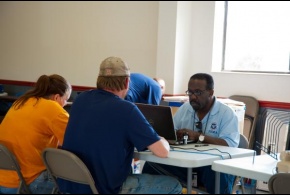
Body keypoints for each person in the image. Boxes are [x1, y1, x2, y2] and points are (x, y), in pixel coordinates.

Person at [58, 56, 182, 194]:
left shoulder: (81, 99)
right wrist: (161, 139)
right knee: (173, 185)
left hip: (73, 184)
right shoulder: (126, 109)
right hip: (103, 188)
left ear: (99, 80)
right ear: (127, 82)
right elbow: (162, 152)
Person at [142, 73, 240, 194]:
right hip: (188, 164)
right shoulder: (185, 108)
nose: (193, 97)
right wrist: (175, 135)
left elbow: (229, 144)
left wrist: (198, 137)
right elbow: (171, 131)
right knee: (151, 164)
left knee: (217, 171)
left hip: (212, 167)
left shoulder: (226, 113)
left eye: (198, 92)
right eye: (190, 92)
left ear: (210, 92)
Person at [0, 74, 72, 194]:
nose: (65, 104)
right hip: (25, 182)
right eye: (66, 100)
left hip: (4, 179)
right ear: (56, 97)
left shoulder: (22, 101)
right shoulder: (53, 108)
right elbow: (73, 143)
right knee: (75, 183)